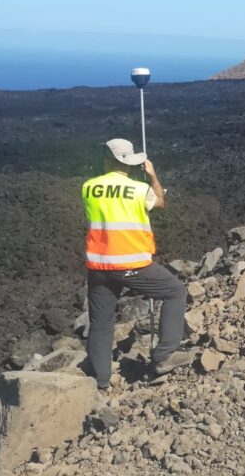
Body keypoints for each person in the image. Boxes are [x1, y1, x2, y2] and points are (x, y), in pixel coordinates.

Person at [82, 138, 192, 389]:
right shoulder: (139, 190)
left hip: (98, 266)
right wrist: (152, 175)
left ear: (106, 158)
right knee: (175, 291)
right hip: (132, 264)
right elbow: (161, 202)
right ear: (129, 162)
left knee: (101, 322)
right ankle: (165, 355)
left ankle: (100, 382)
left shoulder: (88, 187)